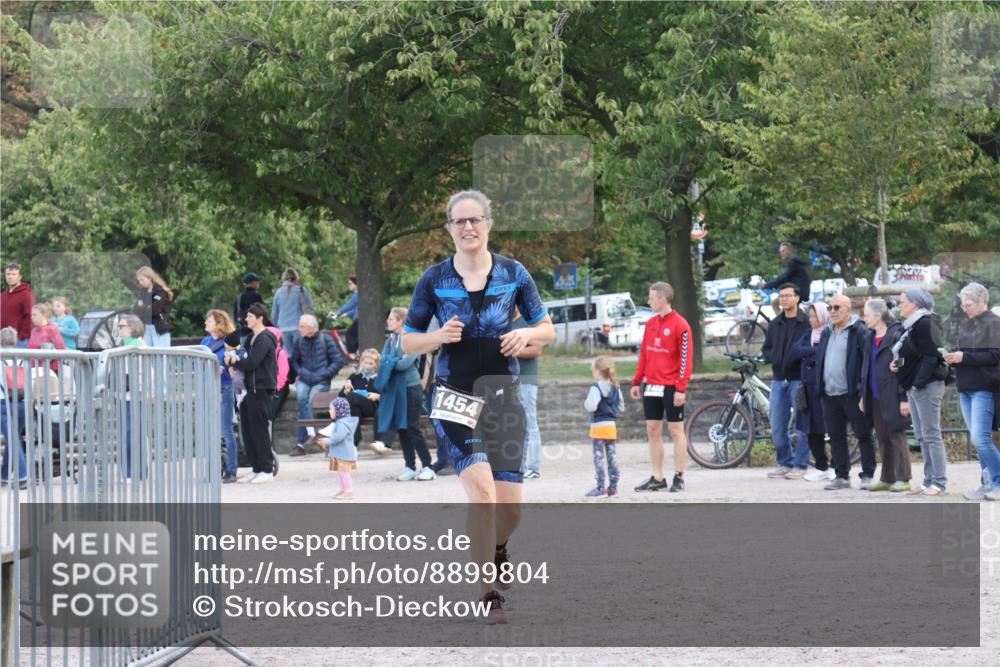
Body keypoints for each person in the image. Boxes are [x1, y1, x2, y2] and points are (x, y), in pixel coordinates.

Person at [401, 189, 554, 623]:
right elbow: (407, 340)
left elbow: (547, 330)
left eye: (475, 219)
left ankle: (499, 547)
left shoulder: (513, 272)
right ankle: (489, 593)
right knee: (483, 493)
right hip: (453, 396)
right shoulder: (434, 279)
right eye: (459, 221)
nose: (468, 227)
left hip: (504, 398)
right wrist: (437, 338)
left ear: (488, 223)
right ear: (449, 228)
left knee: (511, 510)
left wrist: (526, 337)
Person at [631, 281, 692, 493]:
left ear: (663, 299)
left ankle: (679, 475)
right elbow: (645, 354)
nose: (648, 301)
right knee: (652, 429)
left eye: (651, 298)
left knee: (676, 430)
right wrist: (637, 380)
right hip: (652, 385)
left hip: (671, 386)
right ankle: (657, 477)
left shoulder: (681, 325)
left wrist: (681, 388)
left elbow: (685, 360)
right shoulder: (650, 324)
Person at [943, 283, 1000, 501]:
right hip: (966, 386)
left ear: (982, 302)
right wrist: (953, 358)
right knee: (978, 440)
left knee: (980, 438)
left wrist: (964, 357)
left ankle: (997, 481)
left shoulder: (995, 324)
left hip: (984, 388)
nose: (964, 308)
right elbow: (968, 355)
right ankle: (986, 483)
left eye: (968, 305)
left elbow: (995, 356)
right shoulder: (966, 325)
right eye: (963, 304)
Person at [891, 288, 949, 496]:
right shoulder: (912, 325)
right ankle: (928, 481)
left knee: (931, 434)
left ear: (915, 303)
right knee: (922, 435)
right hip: (915, 385)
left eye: (902, 301)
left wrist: (917, 383)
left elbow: (930, 356)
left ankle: (939, 482)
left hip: (926, 385)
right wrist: (896, 365)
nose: (899, 305)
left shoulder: (925, 322)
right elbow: (910, 355)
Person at [817, 295, 876, 490]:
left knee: (863, 434)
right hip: (830, 393)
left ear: (848, 309)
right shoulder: (827, 332)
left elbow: (868, 361)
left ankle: (867, 474)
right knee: (836, 436)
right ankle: (841, 475)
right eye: (829, 308)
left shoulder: (859, 330)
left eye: (836, 307)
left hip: (852, 393)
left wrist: (861, 390)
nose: (832, 311)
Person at [860, 298, 912, 492]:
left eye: (866, 315)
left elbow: (903, 362)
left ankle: (903, 477)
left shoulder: (897, 334)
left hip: (893, 392)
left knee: (896, 434)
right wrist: (862, 396)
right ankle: (887, 477)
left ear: (877, 315)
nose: (864, 319)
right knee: (882, 436)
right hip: (874, 394)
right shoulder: (868, 337)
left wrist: (903, 397)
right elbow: (865, 367)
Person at [761, 284, 811, 479]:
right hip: (778, 380)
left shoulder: (805, 322)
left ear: (797, 298)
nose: (784, 300)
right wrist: (771, 357)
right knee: (776, 425)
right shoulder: (775, 324)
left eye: (788, 296)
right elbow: (766, 348)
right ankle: (784, 462)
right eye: (781, 296)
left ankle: (800, 465)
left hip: (798, 379)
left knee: (801, 425)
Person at [379, 307, 434, 481]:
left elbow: (406, 364)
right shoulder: (390, 340)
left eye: (390, 319)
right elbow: (382, 361)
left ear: (400, 321)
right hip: (396, 388)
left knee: (412, 428)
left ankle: (427, 466)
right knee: (402, 429)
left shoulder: (412, 340)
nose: (387, 322)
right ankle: (409, 466)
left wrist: (391, 361)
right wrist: (394, 360)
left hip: (410, 388)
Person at [227, 303, 278, 484]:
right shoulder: (250, 339)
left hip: (262, 389)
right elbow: (245, 359)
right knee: (248, 431)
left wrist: (234, 362)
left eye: (249, 316)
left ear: (260, 318)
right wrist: (235, 364)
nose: (246, 319)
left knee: (259, 430)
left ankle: (266, 468)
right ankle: (256, 468)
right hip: (249, 390)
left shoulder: (266, 338)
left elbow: (253, 362)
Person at [788, 302, 834, 481]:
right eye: (810, 316)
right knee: (812, 429)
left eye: (814, 316)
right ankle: (821, 466)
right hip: (808, 389)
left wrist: (810, 353)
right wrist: (813, 351)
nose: (811, 319)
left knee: (830, 428)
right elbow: (795, 351)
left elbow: (825, 351)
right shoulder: (809, 333)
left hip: (825, 388)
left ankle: (837, 467)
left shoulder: (830, 332)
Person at [290, 314, 343, 456]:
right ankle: (311, 433)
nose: (299, 329)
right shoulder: (299, 341)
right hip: (305, 378)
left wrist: (325, 374)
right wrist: (301, 371)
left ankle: (303, 441)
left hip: (321, 379)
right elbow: (294, 361)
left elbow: (337, 361)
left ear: (311, 328)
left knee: (310, 401)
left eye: (302, 326)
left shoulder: (325, 339)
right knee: (301, 398)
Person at [201, 310, 241, 483]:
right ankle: (212, 469)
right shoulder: (205, 342)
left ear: (219, 323)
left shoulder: (231, 340)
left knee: (226, 429)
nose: (206, 323)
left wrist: (223, 367)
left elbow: (238, 359)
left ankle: (231, 470)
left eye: (209, 320)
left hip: (224, 386)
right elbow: (196, 361)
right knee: (210, 431)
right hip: (209, 386)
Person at [584, 356, 624, 498]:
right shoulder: (616, 388)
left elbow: (591, 406)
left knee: (599, 457)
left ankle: (601, 487)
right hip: (611, 427)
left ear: (597, 371)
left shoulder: (595, 387)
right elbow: (621, 407)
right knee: (612, 456)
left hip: (598, 427)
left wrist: (587, 403)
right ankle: (613, 488)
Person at [512, 310, 543, 479]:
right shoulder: (504, 323)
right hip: (509, 381)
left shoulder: (529, 324)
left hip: (527, 380)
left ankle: (534, 467)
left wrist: (513, 349)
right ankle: (519, 465)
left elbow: (536, 350)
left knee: (530, 423)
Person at [1, 326, 28, 488]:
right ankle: (4, 475)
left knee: (12, 440)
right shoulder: (23, 357)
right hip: (21, 402)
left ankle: (23, 476)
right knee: (14, 439)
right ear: (15, 340)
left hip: (3, 401)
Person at [339, 348, 382, 448]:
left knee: (352, 397)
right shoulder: (354, 377)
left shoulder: (380, 377)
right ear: (362, 362)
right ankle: (354, 439)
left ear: (376, 364)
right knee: (354, 407)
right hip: (359, 409)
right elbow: (341, 396)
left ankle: (352, 439)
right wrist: (346, 390)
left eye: (370, 364)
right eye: (365, 363)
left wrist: (378, 396)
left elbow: (388, 395)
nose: (367, 366)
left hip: (374, 407)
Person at [319, 397, 359, 500]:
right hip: (341, 453)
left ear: (339, 410)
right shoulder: (341, 422)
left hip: (344, 454)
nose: (329, 411)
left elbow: (338, 437)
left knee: (344, 473)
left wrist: (327, 441)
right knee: (341, 473)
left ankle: (348, 491)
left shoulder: (342, 424)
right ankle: (344, 489)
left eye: (331, 409)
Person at [271, 268, 314, 355]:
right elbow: (310, 306)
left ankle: (290, 368)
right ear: (296, 278)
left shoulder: (278, 293)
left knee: (288, 354)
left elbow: (274, 314)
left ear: (283, 278)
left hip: (283, 327)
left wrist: (276, 327)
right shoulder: (301, 290)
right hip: (299, 327)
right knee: (300, 353)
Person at [134, 267, 174, 348]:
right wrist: (147, 307)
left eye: (142, 280)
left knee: (161, 355)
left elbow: (154, 310)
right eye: (139, 281)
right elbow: (135, 310)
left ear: (150, 278)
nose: (140, 283)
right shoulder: (142, 292)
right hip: (146, 328)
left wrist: (142, 307)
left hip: (159, 328)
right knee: (146, 355)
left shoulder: (160, 292)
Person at [1, 262, 35, 346]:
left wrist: (21, 337)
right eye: (8, 274)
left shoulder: (26, 295)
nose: (10, 277)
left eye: (13, 274)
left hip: (20, 341)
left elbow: (30, 317)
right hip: (2, 340)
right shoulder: (3, 295)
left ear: (20, 277)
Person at [27, 303, 67, 372]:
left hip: (49, 371)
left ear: (44, 315)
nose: (32, 317)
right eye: (31, 315)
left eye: (35, 314)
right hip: (34, 370)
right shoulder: (33, 330)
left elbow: (61, 349)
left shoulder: (52, 329)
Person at [333, 276, 360, 356]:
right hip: (359, 319)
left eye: (350, 284)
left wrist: (337, 312)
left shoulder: (357, 294)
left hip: (359, 320)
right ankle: (357, 354)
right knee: (355, 337)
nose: (349, 285)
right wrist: (347, 314)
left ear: (356, 284)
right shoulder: (358, 294)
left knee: (349, 334)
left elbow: (349, 305)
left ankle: (352, 355)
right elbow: (356, 309)